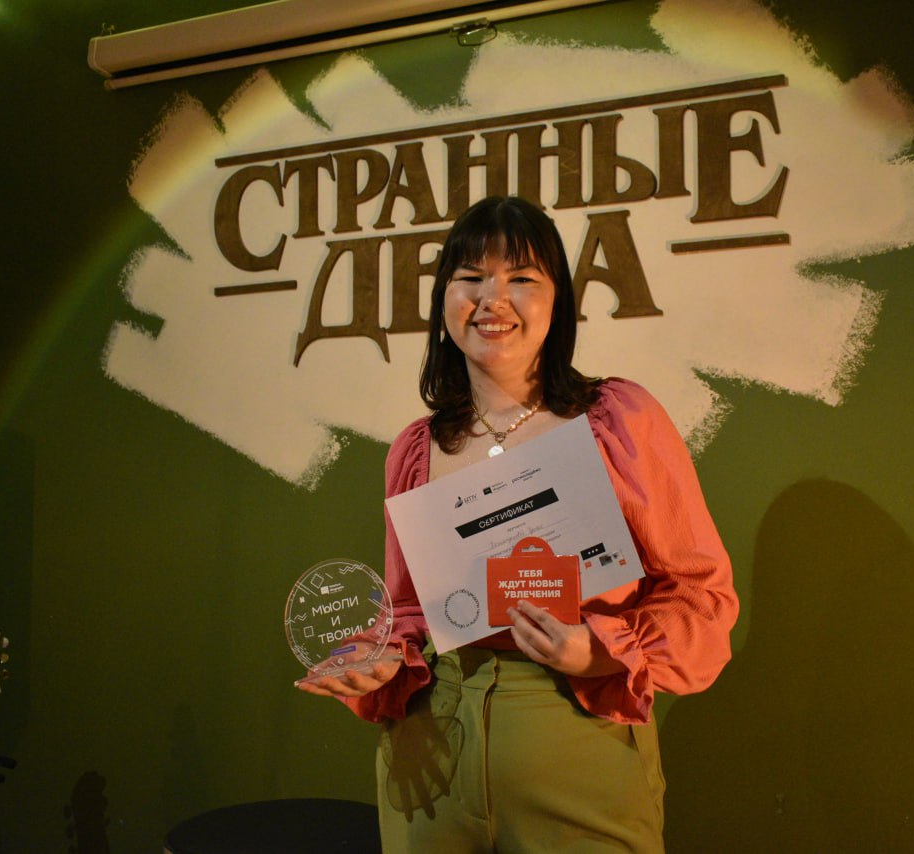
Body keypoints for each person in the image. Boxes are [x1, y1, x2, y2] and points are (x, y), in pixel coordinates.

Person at [297, 196, 738, 851]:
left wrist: (601, 652)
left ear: (558, 300)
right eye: (470, 277)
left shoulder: (619, 420)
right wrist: (378, 658)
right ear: (444, 300)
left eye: (522, 278)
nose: (491, 299)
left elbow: (700, 592)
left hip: (578, 735)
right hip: (431, 751)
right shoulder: (415, 449)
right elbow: (411, 611)